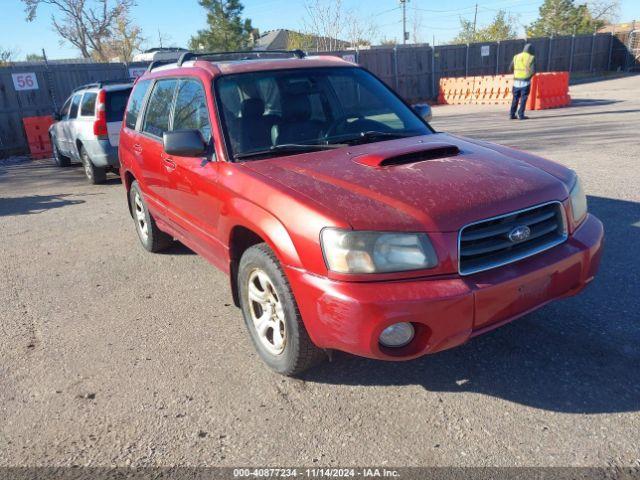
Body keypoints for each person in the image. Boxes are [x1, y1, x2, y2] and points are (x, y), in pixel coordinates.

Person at [509, 43, 536, 120]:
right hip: (525, 82)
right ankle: (521, 114)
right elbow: (533, 71)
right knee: (523, 98)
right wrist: (529, 77)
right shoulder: (531, 57)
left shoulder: (516, 57)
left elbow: (510, 68)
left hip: (516, 82)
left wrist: (516, 74)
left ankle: (512, 114)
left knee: (515, 98)